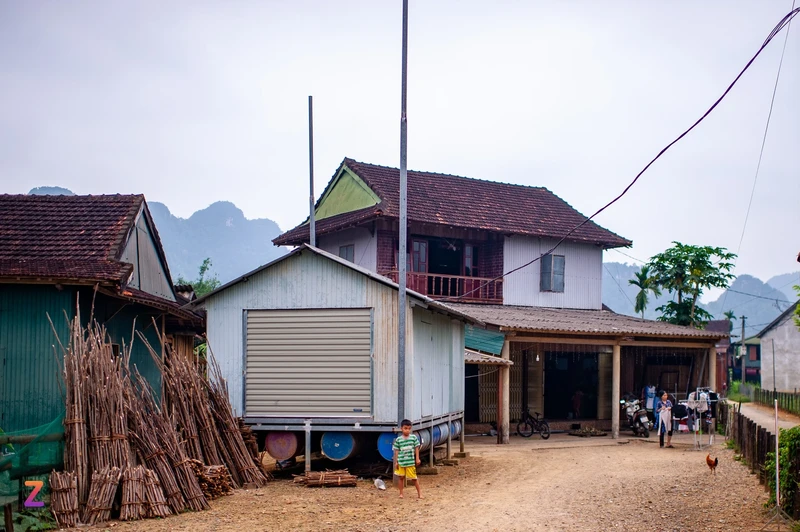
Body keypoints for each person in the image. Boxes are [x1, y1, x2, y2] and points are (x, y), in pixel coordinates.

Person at [393, 419, 422, 499]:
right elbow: (396, 451)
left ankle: (419, 493)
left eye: (409, 428)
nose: (407, 430)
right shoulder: (399, 439)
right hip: (402, 462)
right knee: (401, 477)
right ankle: (401, 493)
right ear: (401, 428)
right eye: (405, 428)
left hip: (410, 463)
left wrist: (417, 458)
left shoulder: (413, 438)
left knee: (414, 478)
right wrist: (397, 461)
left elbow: (417, 448)